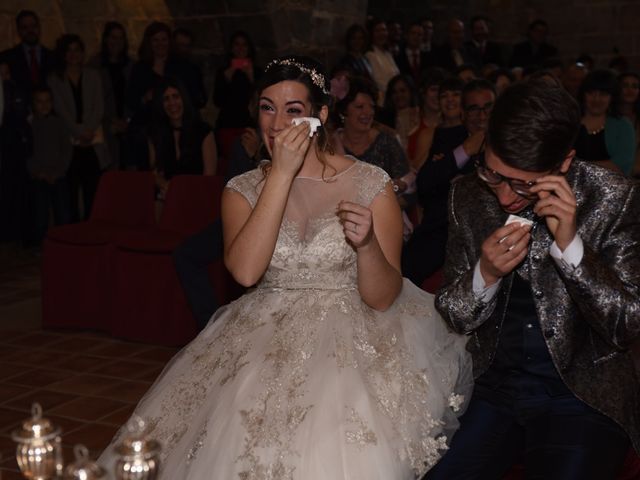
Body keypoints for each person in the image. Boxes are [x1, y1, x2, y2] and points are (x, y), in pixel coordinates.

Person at [98, 55, 472, 479]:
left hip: (355, 334)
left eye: (293, 110)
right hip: (265, 331)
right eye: (266, 107)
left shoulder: (371, 183)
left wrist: (366, 245)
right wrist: (279, 175)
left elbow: (384, 297)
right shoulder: (241, 190)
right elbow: (244, 273)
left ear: (321, 116)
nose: (276, 124)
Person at [425, 80, 640, 479]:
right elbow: (453, 316)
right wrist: (485, 274)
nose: (505, 197)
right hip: (493, 389)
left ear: (563, 163)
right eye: (494, 174)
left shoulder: (613, 196)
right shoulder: (468, 196)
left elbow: (626, 324)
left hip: (582, 393)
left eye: (523, 183)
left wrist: (572, 247)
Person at [403, 79, 495, 288]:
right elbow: (425, 184)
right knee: (405, 270)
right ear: (463, 113)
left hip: (491, 229)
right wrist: (465, 150)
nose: (482, 116)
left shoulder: (509, 141)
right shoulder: (447, 138)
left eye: (488, 108)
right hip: (444, 227)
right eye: (474, 109)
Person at [48, 34, 108, 222]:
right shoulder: (54, 79)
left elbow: (99, 107)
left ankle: (91, 233)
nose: (73, 54)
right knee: (70, 194)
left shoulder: (93, 76)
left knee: (93, 192)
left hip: (92, 143)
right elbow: (59, 109)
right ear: (63, 54)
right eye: (69, 50)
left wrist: (87, 132)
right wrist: (79, 132)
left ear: (83, 53)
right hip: (69, 144)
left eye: (77, 50)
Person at [147, 79, 216, 199]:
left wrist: (179, 190)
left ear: (184, 98)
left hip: (197, 195)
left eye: (175, 96)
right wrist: (167, 186)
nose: (172, 103)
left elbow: (208, 178)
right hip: (166, 195)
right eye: (166, 99)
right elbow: (154, 172)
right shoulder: (155, 133)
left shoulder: (204, 132)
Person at [27, 85, 72, 244]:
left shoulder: (59, 123)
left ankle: (63, 243)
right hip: (39, 176)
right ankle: (42, 245)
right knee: (40, 215)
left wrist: (58, 171)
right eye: (40, 102)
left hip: (58, 175)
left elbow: (66, 150)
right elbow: (27, 153)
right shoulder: (30, 125)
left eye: (47, 101)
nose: (44, 105)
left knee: (63, 214)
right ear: (33, 104)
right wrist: (38, 172)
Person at [88, 21, 133, 170]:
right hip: (105, 125)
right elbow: (92, 99)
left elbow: (134, 95)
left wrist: (126, 120)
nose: (117, 42)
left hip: (127, 124)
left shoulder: (131, 65)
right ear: (106, 39)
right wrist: (111, 121)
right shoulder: (94, 66)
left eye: (120, 38)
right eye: (113, 37)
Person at [574, 69, 635, 175]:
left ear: (612, 97)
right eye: (591, 93)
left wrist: (577, 167)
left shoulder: (623, 126)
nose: (596, 99)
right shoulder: (571, 122)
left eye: (603, 94)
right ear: (583, 95)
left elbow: (621, 165)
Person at [365, 18, 400, 105]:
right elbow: (378, 80)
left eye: (383, 30)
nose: (381, 34)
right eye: (378, 31)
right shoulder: (370, 55)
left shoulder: (387, 53)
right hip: (384, 100)